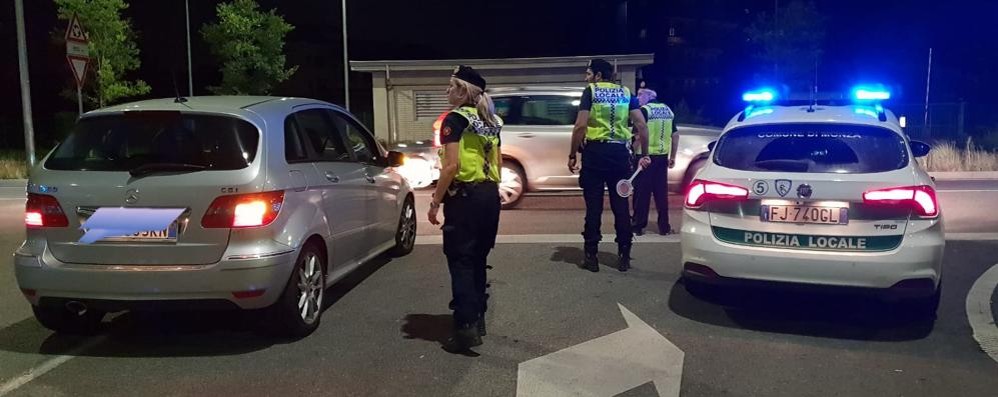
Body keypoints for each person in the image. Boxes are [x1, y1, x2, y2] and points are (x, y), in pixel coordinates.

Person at [427, 65, 503, 352]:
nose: (446, 91)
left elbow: (451, 167)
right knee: (478, 258)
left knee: (460, 260)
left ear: (462, 91)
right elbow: (500, 164)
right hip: (489, 195)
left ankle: (466, 327)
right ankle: (478, 317)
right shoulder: (493, 120)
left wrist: (435, 202)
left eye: (450, 86)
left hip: (465, 198)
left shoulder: (454, 120)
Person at [568, 59, 650, 273]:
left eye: (588, 73)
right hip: (620, 155)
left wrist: (572, 154)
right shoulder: (626, 92)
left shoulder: (591, 91)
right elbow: (641, 125)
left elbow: (580, 126)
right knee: (621, 207)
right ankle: (624, 255)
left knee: (593, 207)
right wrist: (644, 153)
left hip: (595, 154)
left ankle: (591, 256)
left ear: (597, 75)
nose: (586, 77)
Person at [631, 85, 678, 236]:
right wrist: (672, 157)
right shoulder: (668, 110)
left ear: (648, 97)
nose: (638, 98)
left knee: (641, 193)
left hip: (644, 158)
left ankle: (638, 226)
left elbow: (638, 135)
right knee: (661, 194)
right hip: (662, 157)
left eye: (640, 95)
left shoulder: (644, 111)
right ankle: (664, 227)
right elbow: (675, 135)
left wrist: (633, 150)